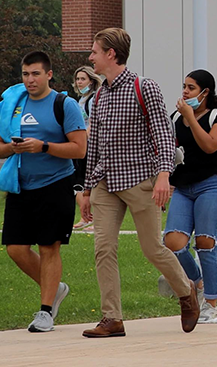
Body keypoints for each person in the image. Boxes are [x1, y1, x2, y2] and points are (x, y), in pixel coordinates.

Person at [79, 28, 200, 337]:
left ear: (111, 54)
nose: (90, 56)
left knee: (152, 249)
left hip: (140, 179)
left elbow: (163, 133)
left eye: (95, 51)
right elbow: (95, 145)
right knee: (103, 248)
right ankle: (112, 318)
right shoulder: (100, 95)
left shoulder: (143, 87)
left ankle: (187, 291)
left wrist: (163, 175)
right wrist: (86, 188)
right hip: (106, 183)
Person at [0, 51, 89, 333]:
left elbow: (79, 148)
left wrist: (43, 146)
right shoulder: (14, 104)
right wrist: (14, 147)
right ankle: (55, 287)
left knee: (49, 247)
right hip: (21, 185)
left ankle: (46, 311)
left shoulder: (64, 104)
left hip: (56, 183)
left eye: (35, 74)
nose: (30, 80)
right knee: (16, 249)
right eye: (25, 74)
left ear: (49, 74)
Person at [165, 70, 217, 325]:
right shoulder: (174, 118)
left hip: (214, 184)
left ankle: (211, 304)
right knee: (173, 241)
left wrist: (191, 119)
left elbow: (210, 145)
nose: (185, 92)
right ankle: (197, 281)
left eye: (191, 88)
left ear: (205, 93)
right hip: (184, 186)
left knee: (206, 242)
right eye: (184, 86)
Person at [68, 67, 102, 232]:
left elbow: (94, 124)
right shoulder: (81, 100)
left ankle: (95, 219)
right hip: (81, 145)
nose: (79, 82)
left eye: (83, 79)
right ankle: (85, 217)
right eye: (78, 79)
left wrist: (83, 138)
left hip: (90, 146)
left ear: (92, 81)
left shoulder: (94, 99)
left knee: (91, 183)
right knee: (78, 183)